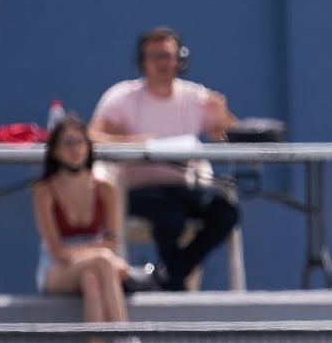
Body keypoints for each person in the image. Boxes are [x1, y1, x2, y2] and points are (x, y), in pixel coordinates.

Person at [88, 27, 239, 291]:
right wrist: (138, 142)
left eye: (168, 56)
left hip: (184, 187)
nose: (163, 63)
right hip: (137, 191)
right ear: (142, 62)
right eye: (155, 56)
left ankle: (169, 275)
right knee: (170, 216)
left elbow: (227, 139)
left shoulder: (195, 96)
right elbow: (92, 136)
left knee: (226, 213)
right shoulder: (122, 96)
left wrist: (223, 116)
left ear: (180, 60)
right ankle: (174, 284)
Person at [32, 116, 159, 343]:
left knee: (92, 278)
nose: (75, 149)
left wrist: (100, 255)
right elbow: (57, 251)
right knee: (102, 262)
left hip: (95, 266)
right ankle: (126, 340)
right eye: (67, 143)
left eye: (80, 141)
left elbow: (113, 241)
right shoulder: (44, 190)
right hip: (56, 269)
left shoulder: (105, 187)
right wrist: (102, 255)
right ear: (54, 150)